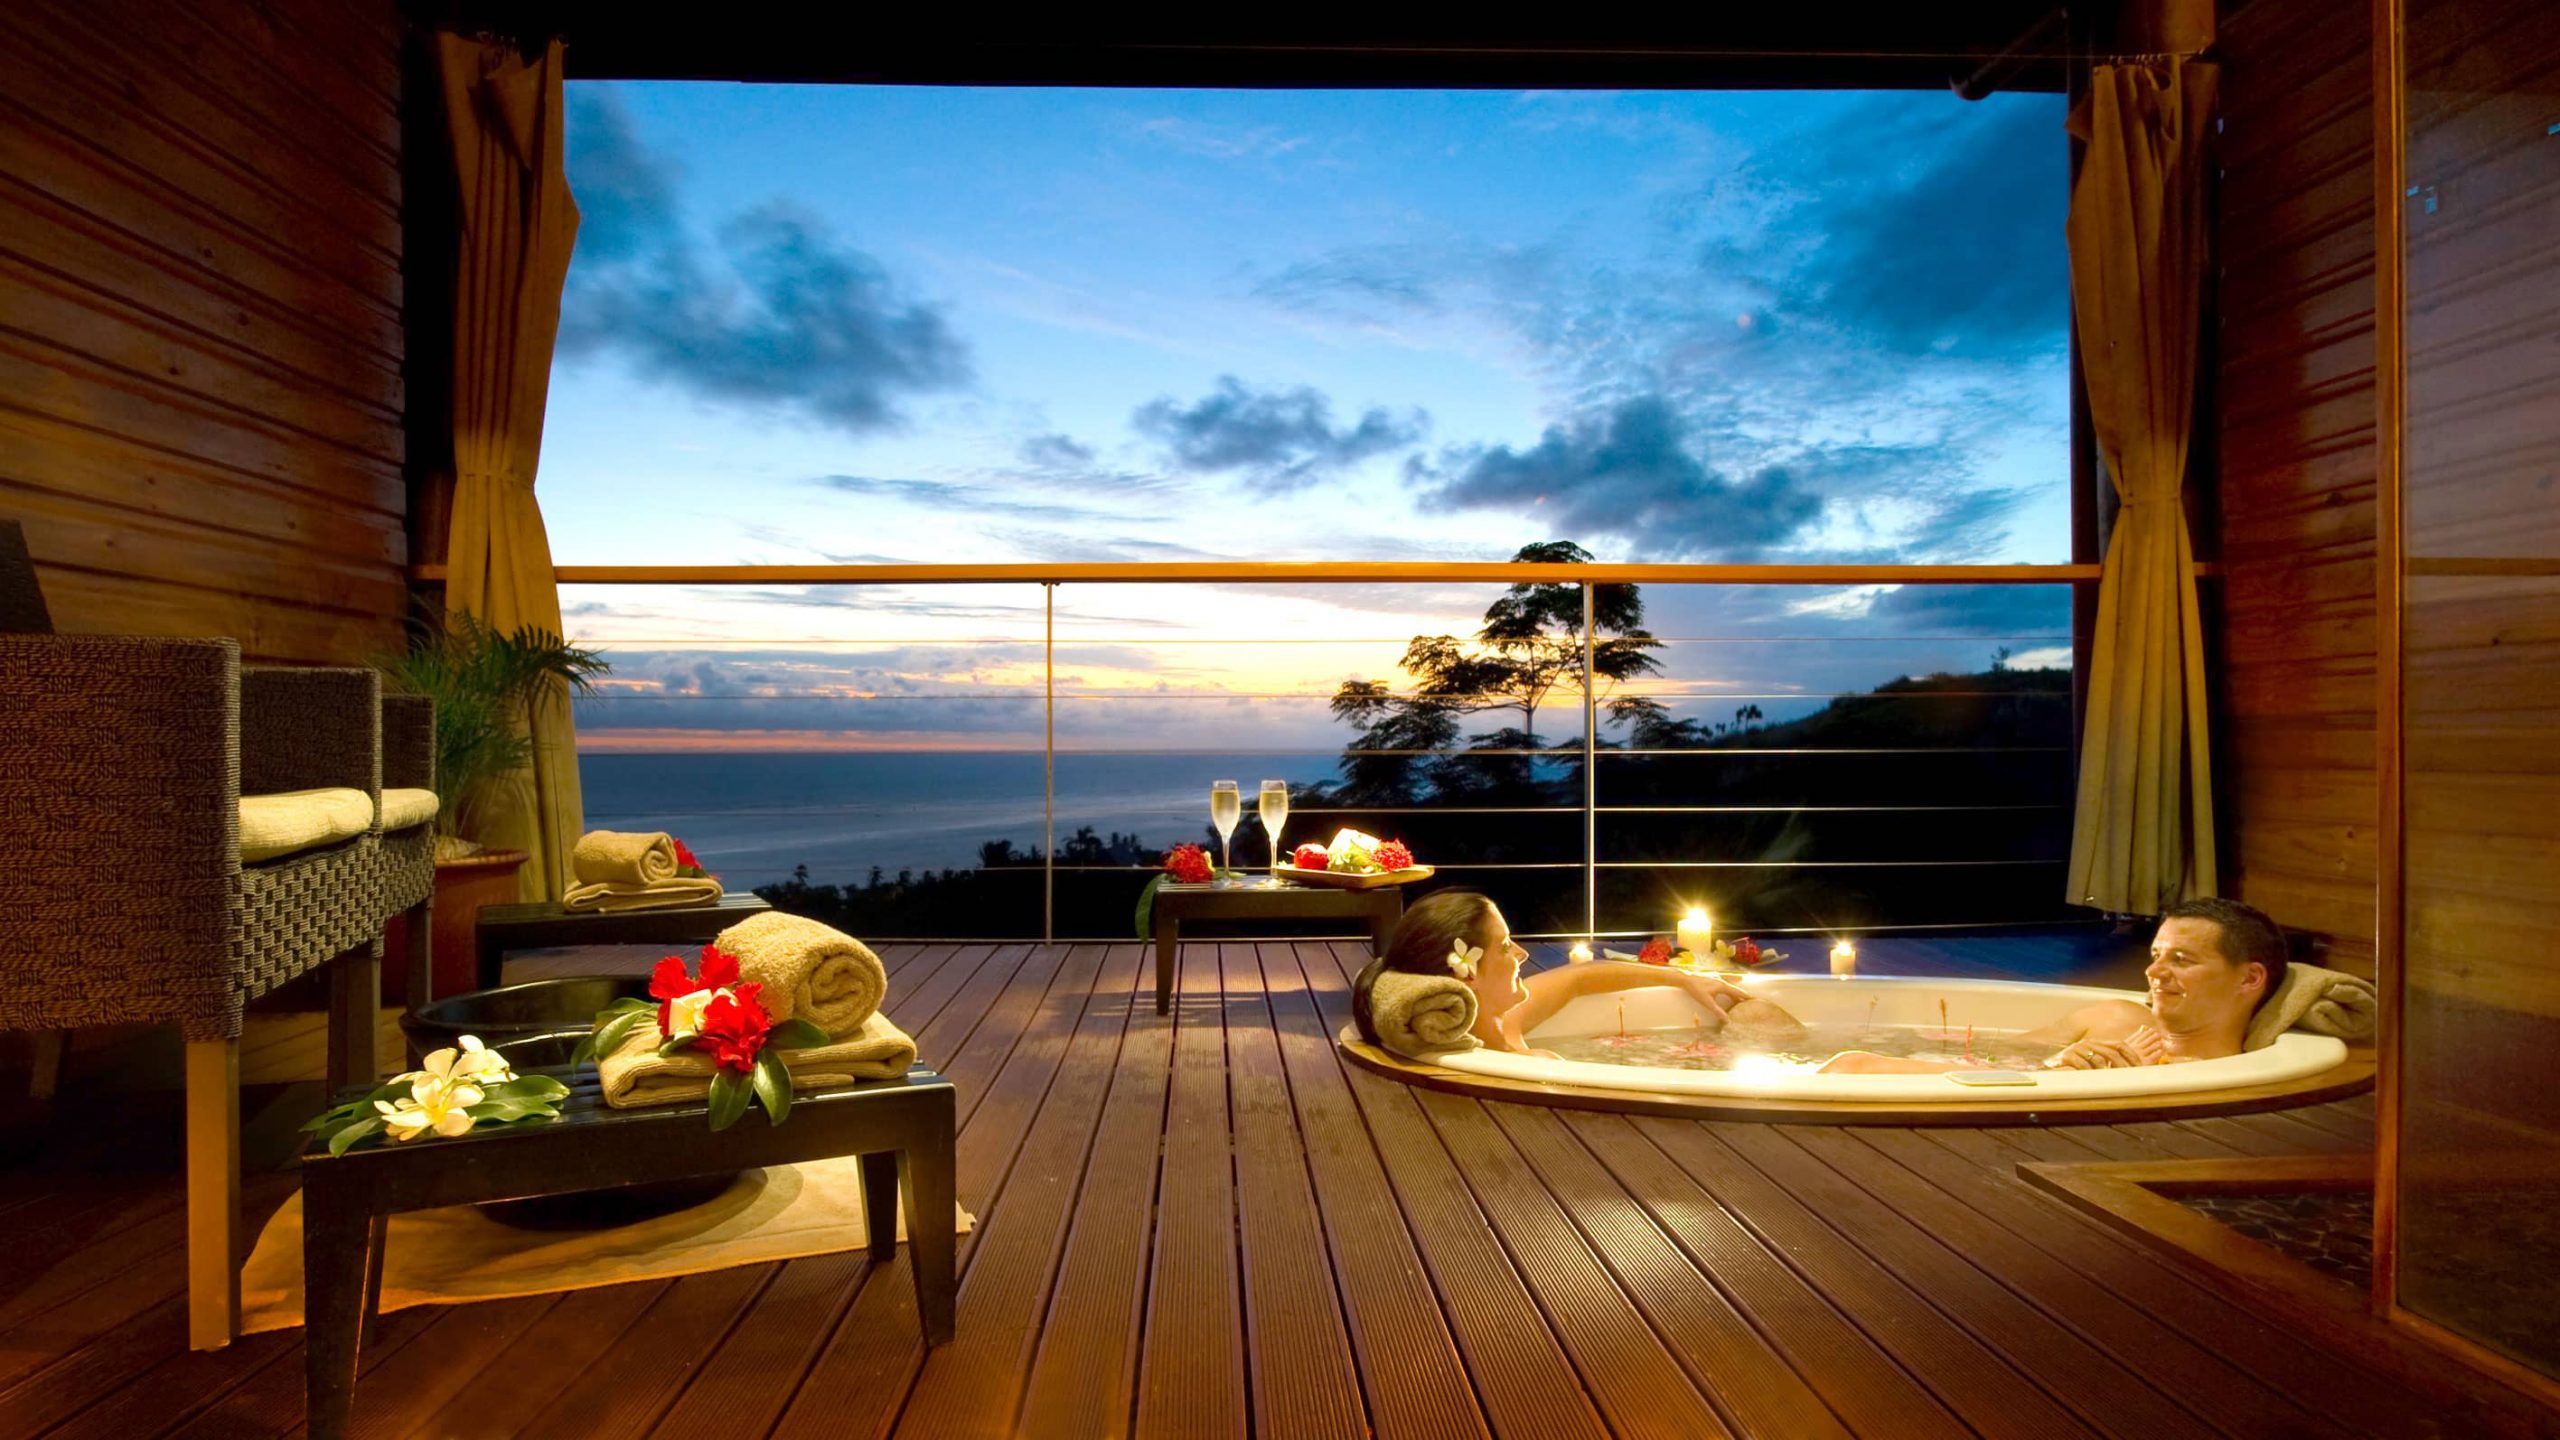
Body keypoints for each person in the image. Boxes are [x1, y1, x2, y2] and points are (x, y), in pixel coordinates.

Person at [1817, 895, 2291, 1074]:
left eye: (2181, 960)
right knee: (1840, 1055)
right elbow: (1995, 1055)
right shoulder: (2117, 1016)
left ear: (2249, 979)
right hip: (1987, 1079)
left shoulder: (2206, 1076)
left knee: (1850, 1066)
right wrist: (2053, 1063)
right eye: (2155, 956)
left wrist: (2066, 1081)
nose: (2154, 973)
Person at [1350, 889, 1802, 1056]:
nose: (1522, 956)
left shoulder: (1503, 1026)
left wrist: (1682, 978)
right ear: (1467, 972)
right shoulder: (1490, 1054)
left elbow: (1579, 978)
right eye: (1505, 945)